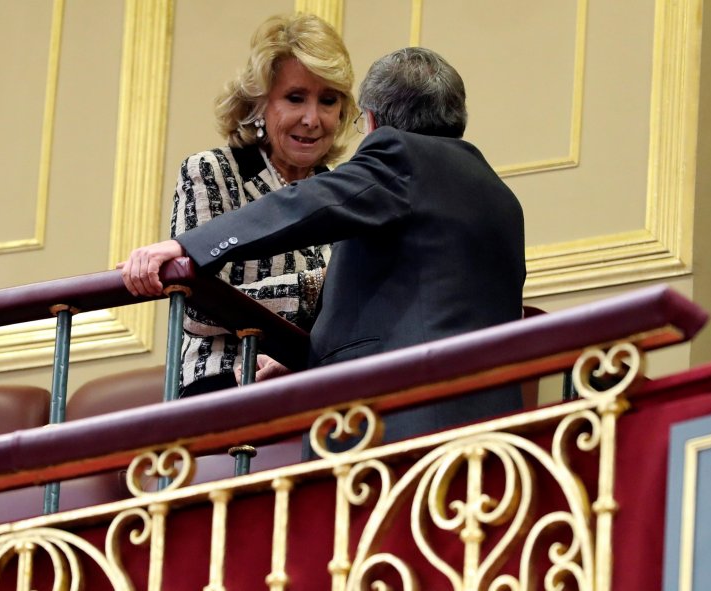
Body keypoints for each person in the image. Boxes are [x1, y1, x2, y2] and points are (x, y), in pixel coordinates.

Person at [121, 47, 526, 442]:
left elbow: (303, 203)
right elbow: (402, 310)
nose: (312, 118)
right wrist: (308, 365)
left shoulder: (398, 157)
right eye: (295, 98)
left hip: (396, 420)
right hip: (493, 428)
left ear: (369, 120)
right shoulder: (500, 196)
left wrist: (189, 248)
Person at [169, 14, 357, 397]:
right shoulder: (213, 171)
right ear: (259, 104)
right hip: (220, 382)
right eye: (295, 98)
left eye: (327, 101)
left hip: (311, 376)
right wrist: (314, 289)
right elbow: (200, 309)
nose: (312, 118)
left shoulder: (347, 190)